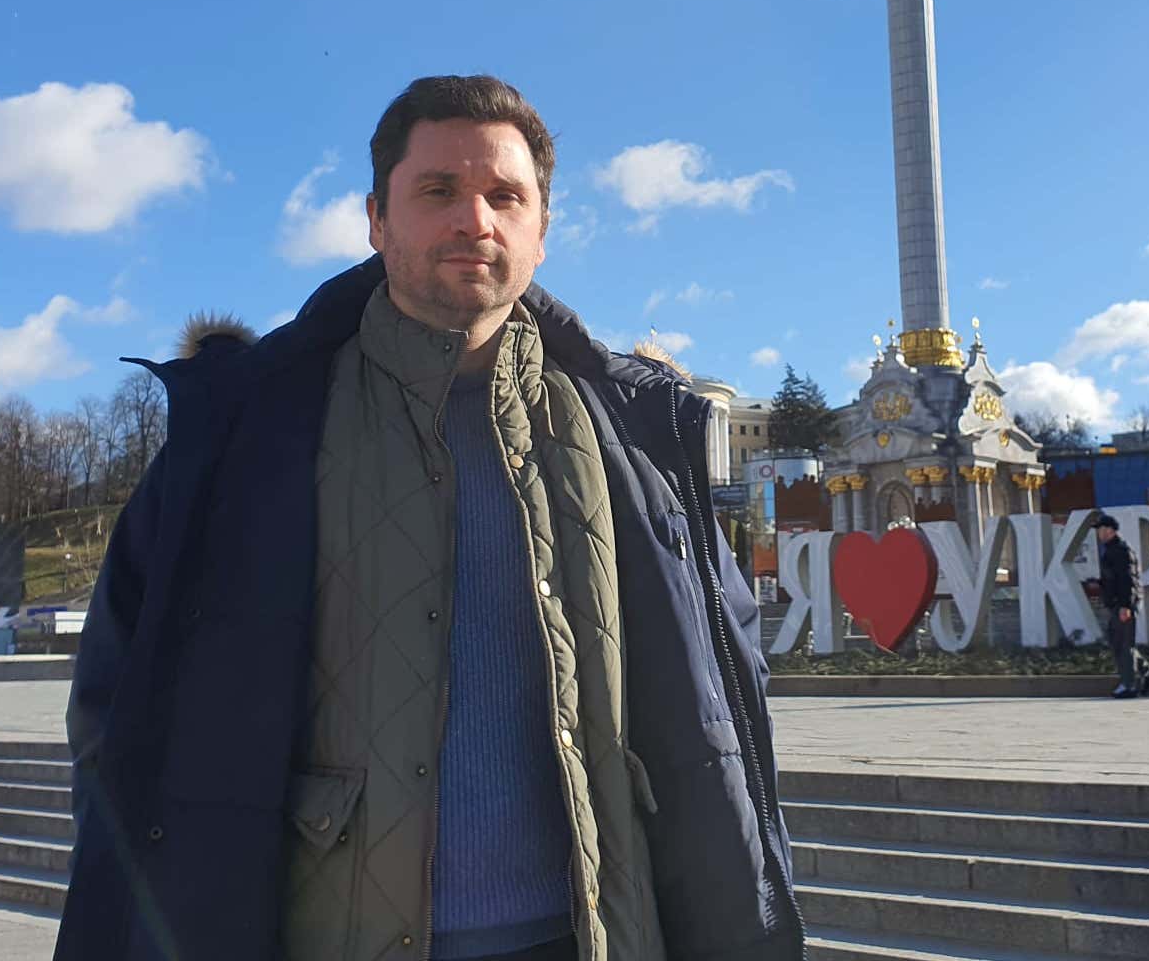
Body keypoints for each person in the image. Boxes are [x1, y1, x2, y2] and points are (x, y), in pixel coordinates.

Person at [57, 76, 800, 961]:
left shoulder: (631, 436)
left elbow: (723, 665)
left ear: (543, 230)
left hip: (593, 934)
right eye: (438, 191)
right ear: (376, 219)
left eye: (504, 195)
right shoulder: (252, 432)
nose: (474, 220)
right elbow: (120, 691)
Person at [1094, 513, 1149, 699]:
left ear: (1110, 530)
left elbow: (1128, 580)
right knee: (1117, 643)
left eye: (1101, 529)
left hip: (1123, 605)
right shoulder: (1111, 550)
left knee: (1124, 645)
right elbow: (1113, 580)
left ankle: (1128, 685)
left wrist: (1126, 605)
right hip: (1116, 604)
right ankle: (1146, 672)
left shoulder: (1121, 551)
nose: (1099, 533)